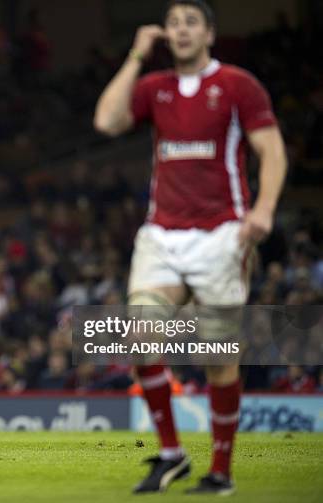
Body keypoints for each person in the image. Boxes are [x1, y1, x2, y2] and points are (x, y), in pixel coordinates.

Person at [94, 0, 286, 495]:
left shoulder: (239, 85)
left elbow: (271, 149)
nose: (180, 30)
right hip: (162, 234)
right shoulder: (154, 88)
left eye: (190, 22)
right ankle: (173, 456)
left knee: (219, 358)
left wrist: (263, 210)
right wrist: (137, 56)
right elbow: (107, 121)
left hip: (223, 235)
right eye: (173, 23)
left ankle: (220, 471)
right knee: (140, 338)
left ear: (209, 34)